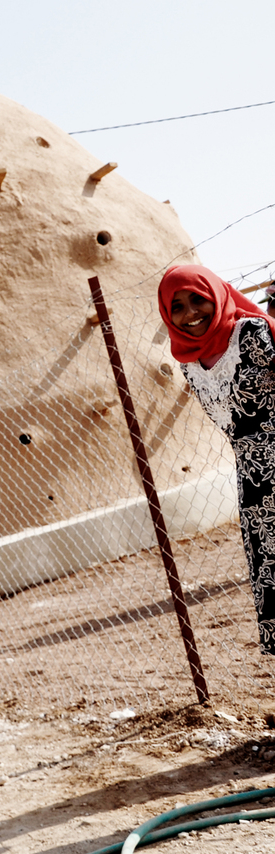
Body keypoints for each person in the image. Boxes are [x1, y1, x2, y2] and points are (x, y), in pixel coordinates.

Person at [160, 266, 275, 654]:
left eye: (197, 298)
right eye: (177, 305)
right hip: (257, 491)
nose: (190, 312)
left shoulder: (252, 335)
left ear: (216, 296)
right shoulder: (189, 364)